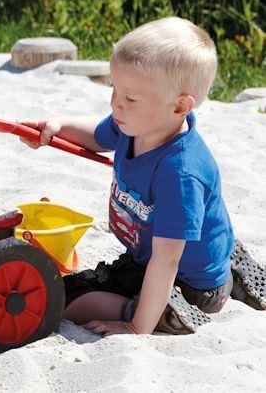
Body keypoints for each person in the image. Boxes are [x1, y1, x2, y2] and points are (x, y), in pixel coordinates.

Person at [21, 17, 266, 335]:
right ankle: (224, 266)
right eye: (115, 90)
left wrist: (136, 327)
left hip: (187, 283)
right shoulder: (134, 125)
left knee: (66, 297)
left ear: (180, 106)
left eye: (130, 98)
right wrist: (57, 126)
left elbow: (165, 263)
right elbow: (96, 135)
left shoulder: (180, 175)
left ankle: (162, 311)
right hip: (160, 254)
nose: (115, 104)